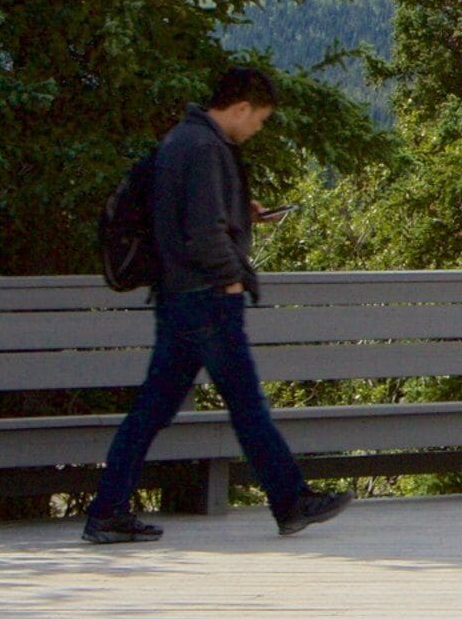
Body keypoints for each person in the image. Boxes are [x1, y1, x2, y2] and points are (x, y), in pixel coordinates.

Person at [82, 68, 349, 545]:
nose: (258, 129)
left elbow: (183, 211)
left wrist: (241, 209)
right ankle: (291, 501)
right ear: (242, 108)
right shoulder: (206, 148)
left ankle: (107, 512)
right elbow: (203, 233)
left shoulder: (183, 139)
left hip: (178, 297)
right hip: (207, 299)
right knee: (247, 405)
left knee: (152, 411)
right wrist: (230, 279)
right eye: (260, 119)